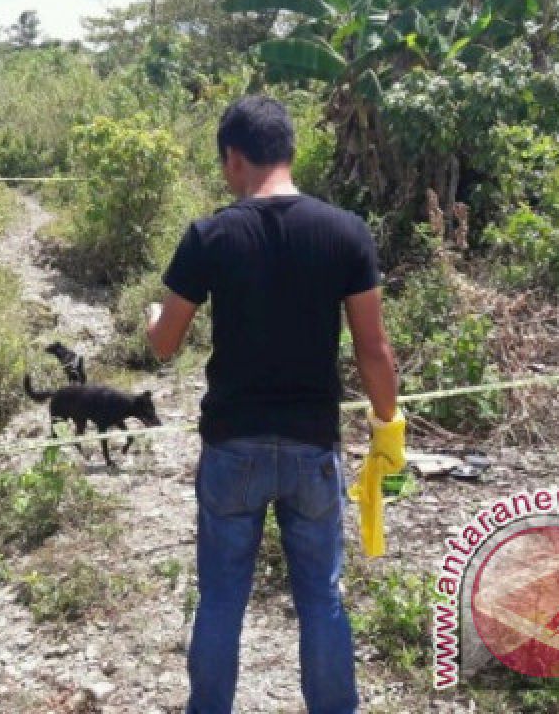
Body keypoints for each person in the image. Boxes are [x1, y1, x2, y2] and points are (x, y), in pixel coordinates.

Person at [144, 96, 399, 714]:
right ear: (288, 150)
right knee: (322, 601)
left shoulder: (211, 234)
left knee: (222, 601)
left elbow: (163, 344)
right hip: (313, 447)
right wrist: (390, 427)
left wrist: (150, 316)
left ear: (235, 158)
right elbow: (373, 347)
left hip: (234, 447)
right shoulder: (346, 231)